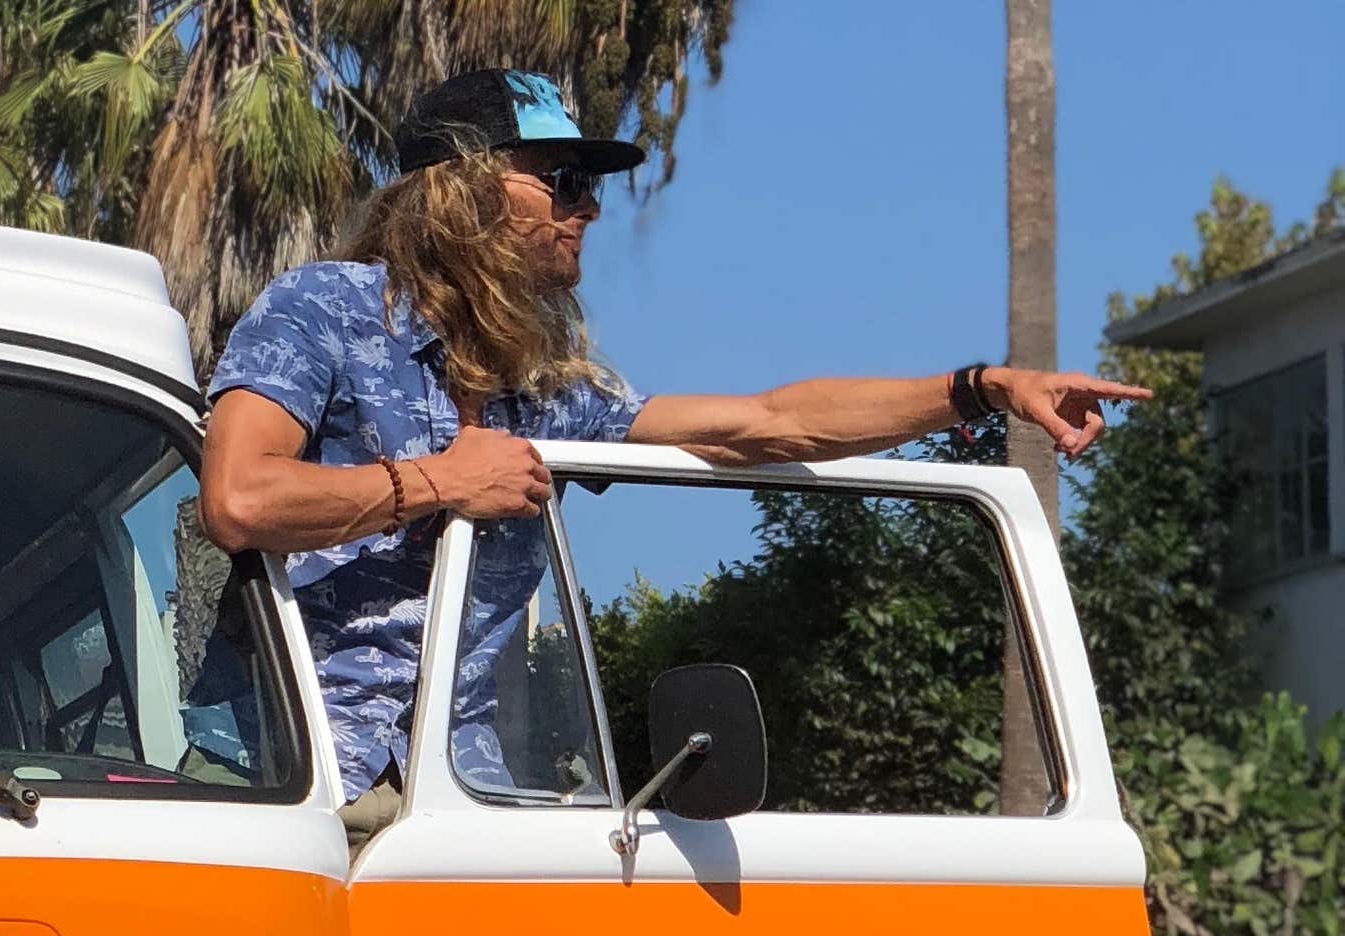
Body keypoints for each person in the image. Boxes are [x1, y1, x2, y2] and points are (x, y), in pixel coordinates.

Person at [198, 68, 1147, 824]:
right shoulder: (324, 309)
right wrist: (439, 481)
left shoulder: (547, 389)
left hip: (460, 798)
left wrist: (981, 389)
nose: (589, 209)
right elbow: (239, 499)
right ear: (465, 190)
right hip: (288, 780)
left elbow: (766, 424)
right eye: (564, 182)